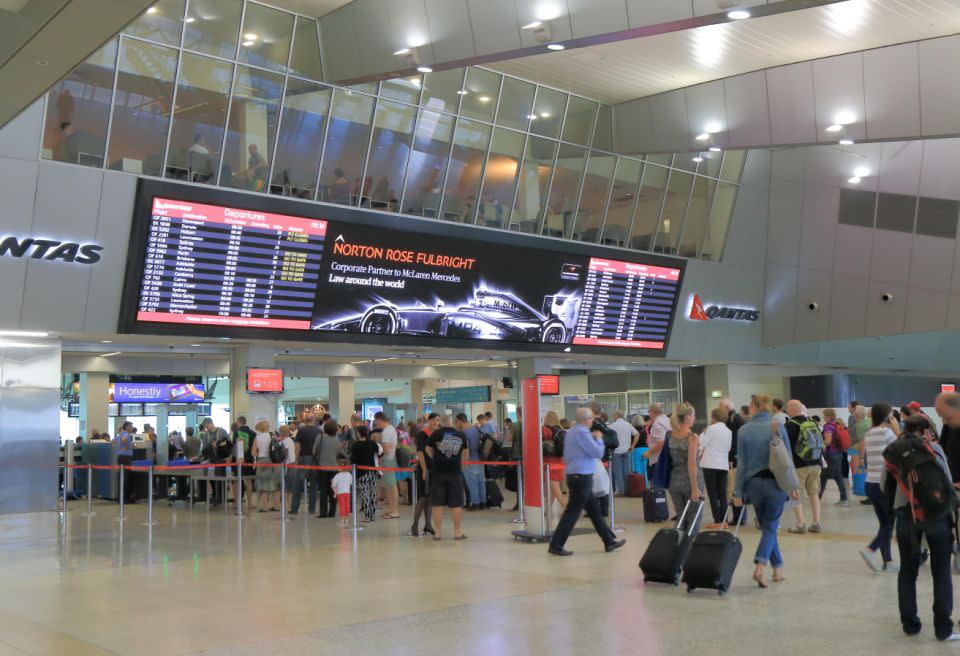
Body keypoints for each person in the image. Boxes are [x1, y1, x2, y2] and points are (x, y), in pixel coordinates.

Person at [883, 414, 959, 641]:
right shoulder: (934, 449)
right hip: (937, 517)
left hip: (906, 516)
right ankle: (943, 628)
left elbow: (882, 484)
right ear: (926, 431)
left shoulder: (894, 450)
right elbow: (945, 480)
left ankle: (910, 624)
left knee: (908, 570)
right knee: (942, 572)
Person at [733, 394, 800, 588]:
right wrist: (793, 486)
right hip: (776, 484)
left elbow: (742, 464)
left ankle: (777, 569)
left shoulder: (744, 430)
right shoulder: (777, 426)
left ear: (753, 406)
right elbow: (787, 458)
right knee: (770, 527)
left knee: (767, 528)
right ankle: (760, 567)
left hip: (753, 485)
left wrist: (738, 492)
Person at [547, 407, 624, 556]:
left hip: (575, 476)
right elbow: (597, 452)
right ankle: (556, 545)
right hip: (581, 477)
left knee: (595, 511)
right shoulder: (583, 433)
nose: (593, 421)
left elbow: (567, 455)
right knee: (572, 513)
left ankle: (609, 541)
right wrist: (599, 439)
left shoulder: (571, 433)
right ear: (586, 419)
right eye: (591, 418)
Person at [860, 401, 900, 573]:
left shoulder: (869, 433)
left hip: (871, 483)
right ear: (887, 416)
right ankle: (870, 549)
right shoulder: (887, 433)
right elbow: (903, 446)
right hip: (884, 484)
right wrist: (896, 427)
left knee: (885, 523)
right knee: (889, 524)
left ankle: (888, 561)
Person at [658, 402, 705, 535]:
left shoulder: (670, 436)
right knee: (694, 519)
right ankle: (689, 550)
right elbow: (691, 464)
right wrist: (695, 489)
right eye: (694, 415)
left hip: (674, 481)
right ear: (688, 416)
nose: (694, 418)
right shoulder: (692, 437)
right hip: (691, 481)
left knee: (681, 518)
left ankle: (678, 546)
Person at [426, 415, 469, 540]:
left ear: (441, 423)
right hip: (455, 472)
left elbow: (427, 449)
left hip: (438, 472)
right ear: (452, 422)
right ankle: (457, 532)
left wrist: (436, 459)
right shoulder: (460, 435)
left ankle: (438, 532)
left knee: (437, 503)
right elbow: (466, 453)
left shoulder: (435, 434)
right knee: (456, 504)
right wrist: (462, 464)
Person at [784, 400, 823, 535]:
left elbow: (785, 447)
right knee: (814, 493)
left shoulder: (789, 425)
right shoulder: (812, 423)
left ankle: (800, 524)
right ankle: (816, 523)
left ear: (790, 410)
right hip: (815, 463)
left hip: (798, 466)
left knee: (796, 494)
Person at [699, 407, 732, 528]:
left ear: (713, 417)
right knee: (722, 494)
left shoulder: (710, 429)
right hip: (723, 464)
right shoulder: (728, 431)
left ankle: (717, 521)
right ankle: (725, 521)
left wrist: (703, 432)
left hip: (710, 464)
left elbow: (702, 443)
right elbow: (728, 448)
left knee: (712, 494)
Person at [410, 413, 439, 537]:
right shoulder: (423, 434)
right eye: (433, 420)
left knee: (431, 498)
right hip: (424, 469)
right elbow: (420, 452)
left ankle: (428, 524)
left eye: (437, 420)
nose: (435, 422)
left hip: (435, 469)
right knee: (422, 498)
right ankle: (414, 525)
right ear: (429, 421)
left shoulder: (438, 433)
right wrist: (424, 469)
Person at [290, 414, 320, 516]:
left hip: (303, 458)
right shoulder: (319, 431)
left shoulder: (301, 430)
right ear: (314, 420)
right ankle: (312, 509)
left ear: (305, 420)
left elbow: (297, 445)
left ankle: (294, 508)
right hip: (315, 460)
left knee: (298, 484)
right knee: (314, 485)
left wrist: (296, 458)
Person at [350, 426, 381, 522]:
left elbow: (353, 459)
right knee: (373, 492)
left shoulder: (356, 445)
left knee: (365, 493)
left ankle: (367, 516)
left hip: (362, 472)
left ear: (359, 433)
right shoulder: (372, 443)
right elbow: (380, 453)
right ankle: (372, 515)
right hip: (372, 471)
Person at [819, 408, 849, 506]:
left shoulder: (828, 426)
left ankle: (844, 499)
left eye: (824, 415)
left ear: (828, 416)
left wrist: (819, 444)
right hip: (839, 453)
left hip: (831, 455)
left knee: (831, 476)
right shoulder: (837, 424)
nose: (823, 417)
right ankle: (818, 497)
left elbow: (828, 441)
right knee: (829, 476)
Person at [373, 412, 400, 519]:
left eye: (375, 420)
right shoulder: (391, 428)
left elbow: (386, 450)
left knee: (392, 486)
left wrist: (378, 457)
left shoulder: (386, 432)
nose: (375, 423)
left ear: (379, 419)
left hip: (388, 461)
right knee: (389, 486)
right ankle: (391, 509)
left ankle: (395, 511)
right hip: (390, 460)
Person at [313, 419, 341, 518]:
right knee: (333, 491)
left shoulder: (320, 437)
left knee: (323, 491)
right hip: (334, 468)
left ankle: (323, 512)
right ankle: (332, 512)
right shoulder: (337, 439)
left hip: (322, 467)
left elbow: (314, 451)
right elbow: (338, 452)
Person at [541, 410, 567, 512]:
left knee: (553, 485)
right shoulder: (561, 430)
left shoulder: (544, 430)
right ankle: (547, 510)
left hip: (548, 460)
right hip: (558, 460)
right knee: (552, 486)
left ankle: (565, 506)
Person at [608, 410, 639, 496]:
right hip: (627, 450)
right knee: (626, 471)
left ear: (616, 416)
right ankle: (627, 490)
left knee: (618, 472)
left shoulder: (612, 426)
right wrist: (632, 446)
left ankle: (621, 491)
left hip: (616, 451)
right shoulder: (628, 425)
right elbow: (637, 434)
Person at [251, 420, 279, 512]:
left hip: (262, 461)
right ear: (267, 427)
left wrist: (260, 452)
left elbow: (253, 452)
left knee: (263, 485)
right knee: (275, 484)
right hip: (273, 461)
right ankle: (276, 506)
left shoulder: (257, 437)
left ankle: (265, 507)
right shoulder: (272, 436)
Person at [459, 414, 485, 511]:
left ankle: (475, 503)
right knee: (480, 482)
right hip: (480, 457)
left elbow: (465, 449)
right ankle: (483, 502)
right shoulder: (476, 429)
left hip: (469, 459)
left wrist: (464, 462)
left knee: (472, 483)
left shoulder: (463, 433)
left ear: (459, 422)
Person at [113, 421, 136, 504]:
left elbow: (113, 441)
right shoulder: (126, 434)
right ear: (127, 427)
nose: (132, 428)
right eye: (131, 426)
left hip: (120, 457)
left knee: (122, 477)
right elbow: (124, 440)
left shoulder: (120, 434)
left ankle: (121, 497)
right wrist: (128, 446)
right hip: (126, 458)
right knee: (127, 478)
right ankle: (126, 498)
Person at [646, 403, 670, 481]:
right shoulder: (668, 420)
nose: (649, 414)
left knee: (658, 489)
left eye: (649, 412)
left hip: (658, 459)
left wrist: (649, 452)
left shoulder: (658, 423)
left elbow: (662, 442)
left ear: (653, 412)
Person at [278, 425, 298, 511]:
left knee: (289, 489)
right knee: (290, 488)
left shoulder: (285, 442)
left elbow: (285, 456)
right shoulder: (290, 440)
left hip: (289, 466)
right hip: (292, 465)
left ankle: (289, 506)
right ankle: (289, 506)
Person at [331, 454, 353, 527]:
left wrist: (332, 482)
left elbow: (334, 484)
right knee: (347, 506)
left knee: (342, 506)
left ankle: (342, 520)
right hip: (347, 493)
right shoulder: (349, 474)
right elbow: (351, 482)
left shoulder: (337, 475)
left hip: (340, 493)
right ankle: (346, 520)